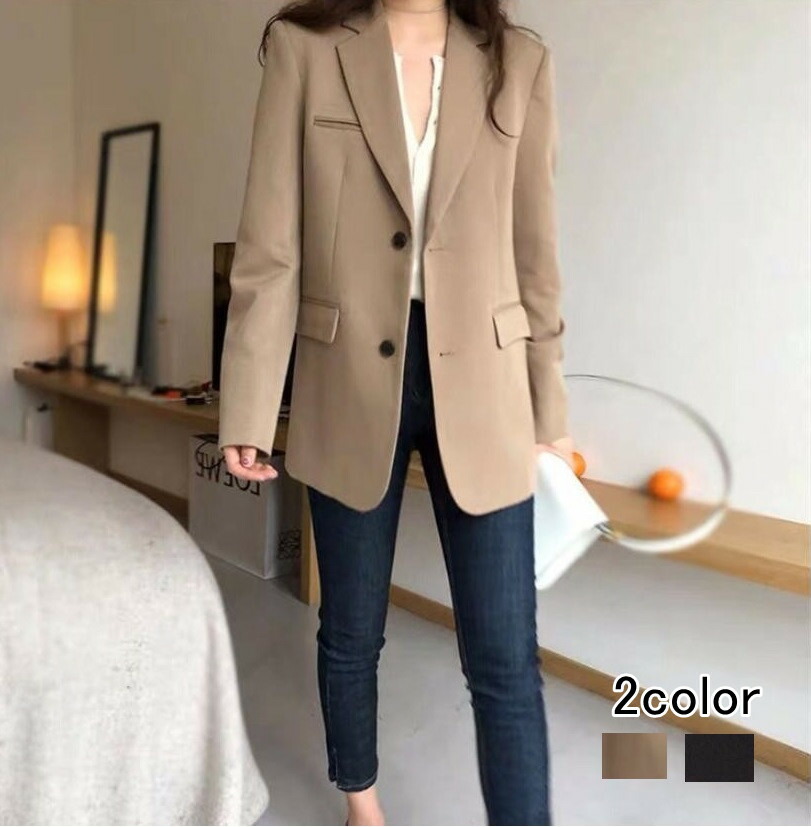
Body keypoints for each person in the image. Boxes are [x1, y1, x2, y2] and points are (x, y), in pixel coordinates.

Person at [218, 0, 574, 823]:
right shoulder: (306, 49)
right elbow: (270, 245)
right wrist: (247, 404)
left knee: (504, 652)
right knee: (350, 628)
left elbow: (535, 250)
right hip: (346, 371)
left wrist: (548, 407)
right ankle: (362, 803)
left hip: (484, 379)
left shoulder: (517, 61)